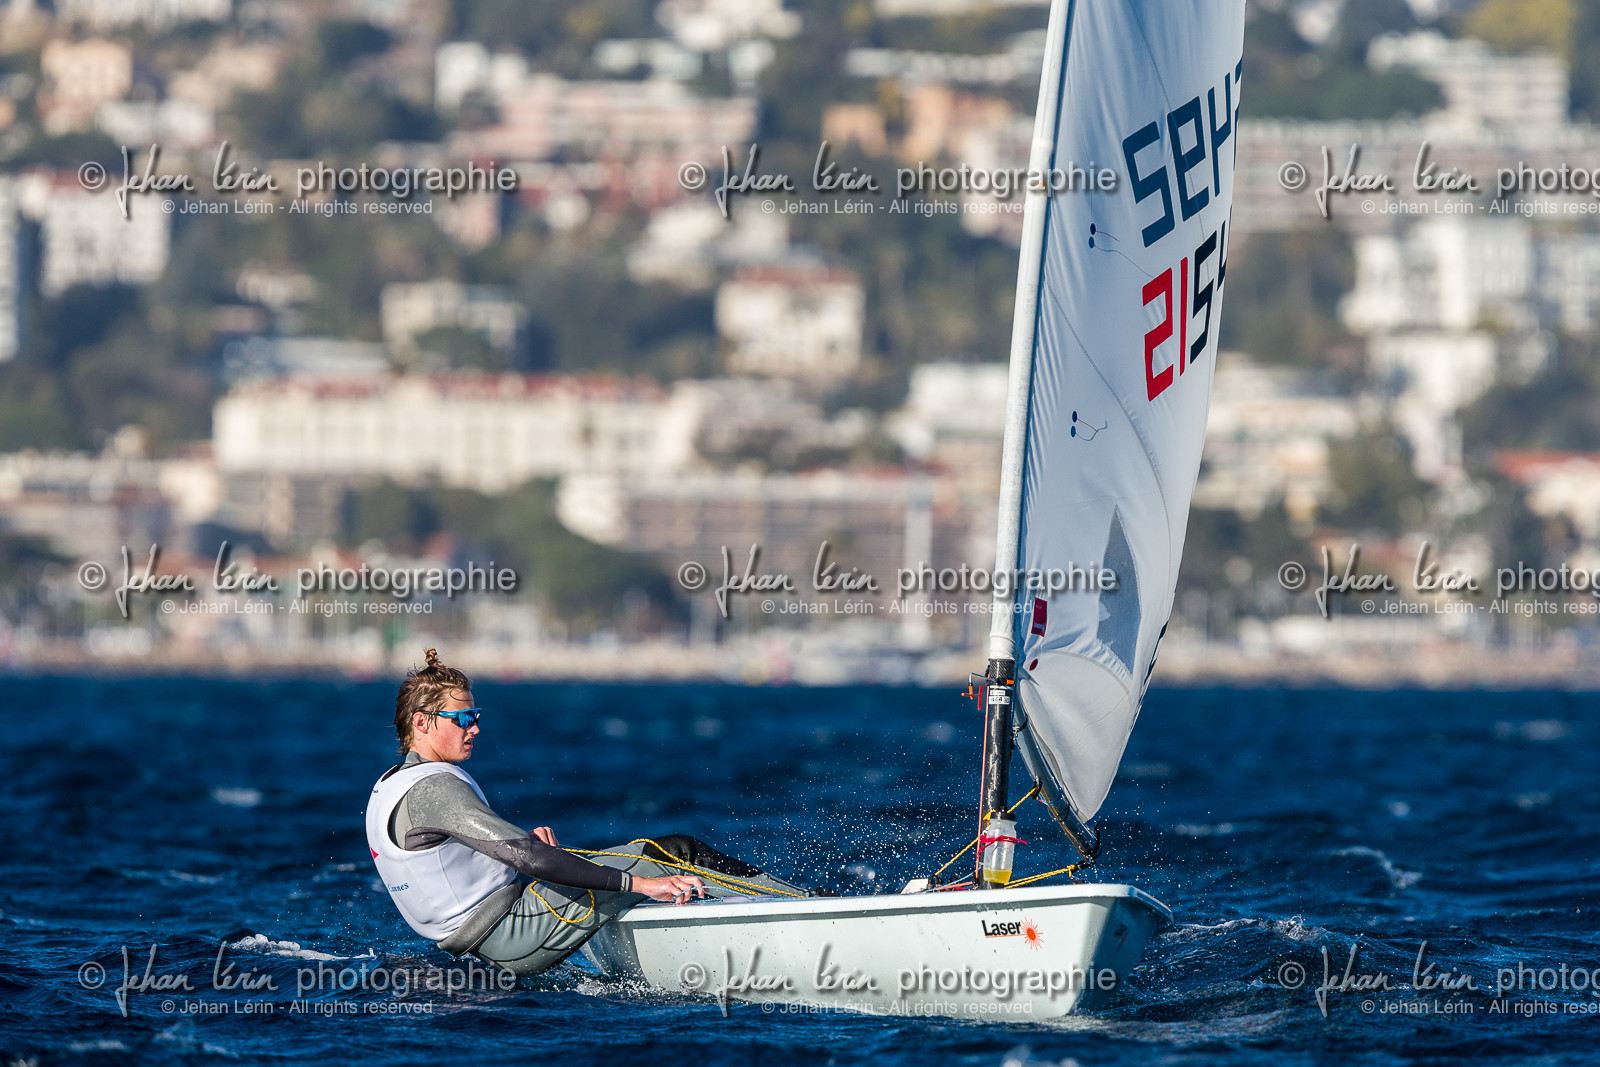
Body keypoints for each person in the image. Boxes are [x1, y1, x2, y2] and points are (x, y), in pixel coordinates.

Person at [364, 648, 807, 976]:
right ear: (422, 723)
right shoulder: (434, 788)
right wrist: (642, 884)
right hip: (508, 937)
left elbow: (458, 865)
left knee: (667, 850)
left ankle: (772, 913)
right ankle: (809, 915)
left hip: (495, 936)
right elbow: (526, 858)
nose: (475, 727)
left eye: (475, 714)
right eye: (462, 718)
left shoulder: (391, 784)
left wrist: (533, 857)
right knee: (667, 855)